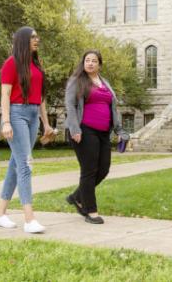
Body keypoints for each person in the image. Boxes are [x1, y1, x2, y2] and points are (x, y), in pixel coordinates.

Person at [0, 26, 53, 234]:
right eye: (33, 37)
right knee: (26, 164)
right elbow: (5, 95)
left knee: (16, 164)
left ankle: (0, 214)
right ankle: (29, 218)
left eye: (37, 36)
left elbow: (42, 97)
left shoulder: (36, 65)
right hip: (17, 114)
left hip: (33, 114)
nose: (37, 40)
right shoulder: (11, 63)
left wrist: (46, 124)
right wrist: (6, 121)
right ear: (22, 40)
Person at [64, 49, 129, 224]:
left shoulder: (104, 82)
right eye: (87, 60)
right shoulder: (77, 81)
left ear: (99, 64)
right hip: (85, 131)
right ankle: (90, 211)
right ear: (83, 63)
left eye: (94, 61)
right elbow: (70, 106)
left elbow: (112, 108)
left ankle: (77, 197)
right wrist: (75, 129)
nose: (90, 63)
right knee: (89, 170)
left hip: (103, 132)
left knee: (104, 169)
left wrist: (119, 130)